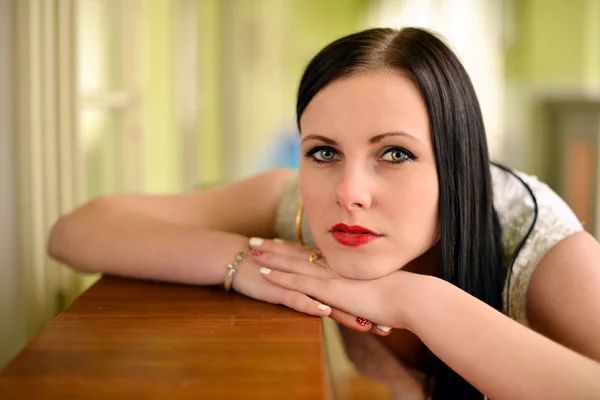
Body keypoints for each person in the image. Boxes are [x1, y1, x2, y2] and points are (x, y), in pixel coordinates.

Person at [48, 27, 600, 399]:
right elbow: (78, 232)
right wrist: (244, 264)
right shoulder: (293, 206)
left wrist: (415, 299)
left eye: (396, 153)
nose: (349, 192)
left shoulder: (545, 254)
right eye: (324, 151)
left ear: (457, 165)